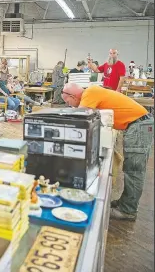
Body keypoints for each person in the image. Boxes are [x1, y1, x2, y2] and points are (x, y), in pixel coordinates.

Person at [62, 83, 154, 221]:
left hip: (139, 126)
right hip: (138, 125)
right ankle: (126, 203)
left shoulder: (90, 93)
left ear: (72, 96)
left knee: (134, 170)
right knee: (131, 167)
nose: (69, 105)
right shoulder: (92, 92)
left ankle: (128, 211)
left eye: (67, 102)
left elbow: (79, 118)